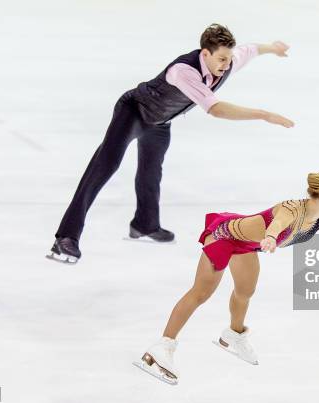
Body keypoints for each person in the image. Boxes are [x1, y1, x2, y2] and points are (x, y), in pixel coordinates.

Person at [136, 169, 319, 384]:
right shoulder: (293, 208)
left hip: (246, 244)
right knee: (201, 293)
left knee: (245, 291)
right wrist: (269, 237)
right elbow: (279, 222)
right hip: (223, 236)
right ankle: (161, 348)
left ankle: (232, 336)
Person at [48, 23, 294, 264]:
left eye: (228, 58)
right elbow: (216, 109)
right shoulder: (183, 71)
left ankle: (144, 225)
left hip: (161, 122)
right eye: (221, 59)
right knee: (105, 166)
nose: (226, 64)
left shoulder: (227, 59)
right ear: (205, 53)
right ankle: (66, 237)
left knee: (151, 171)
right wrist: (264, 114)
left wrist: (272, 47)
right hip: (133, 112)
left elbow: (250, 50)